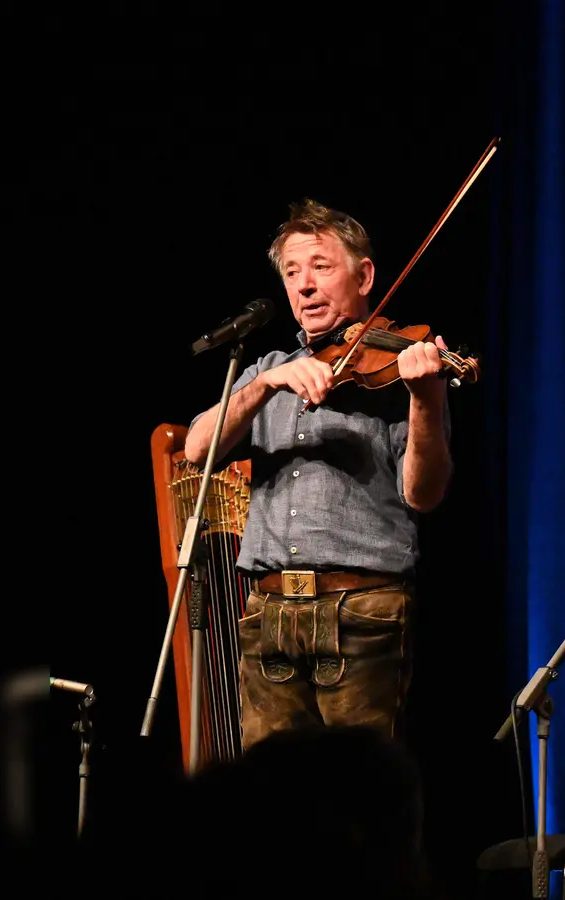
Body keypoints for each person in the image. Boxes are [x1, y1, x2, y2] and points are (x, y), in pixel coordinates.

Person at [184, 199, 456, 749]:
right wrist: (263, 386)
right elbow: (194, 447)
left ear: (365, 276)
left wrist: (425, 397)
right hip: (267, 614)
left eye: (321, 266)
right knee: (269, 799)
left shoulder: (400, 368)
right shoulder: (267, 370)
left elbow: (423, 496)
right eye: (291, 272)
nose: (304, 285)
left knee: (361, 802)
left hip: (362, 615)